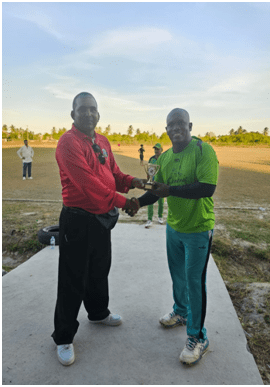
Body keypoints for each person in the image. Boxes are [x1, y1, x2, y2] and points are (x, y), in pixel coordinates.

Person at [53, 92, 144, 366]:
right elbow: (89, 186)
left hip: (101, 219)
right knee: (72, 278)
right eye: (83, 110)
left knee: (99, 268)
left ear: (99, 114)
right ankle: (64, 336)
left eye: (93, 109)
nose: (89, 114)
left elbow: (113, 174)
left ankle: (98, 312)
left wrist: (134, 181)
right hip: (77, 220)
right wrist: (124, 202)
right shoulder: (67, 144)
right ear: (73, 115)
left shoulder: (102, 141)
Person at [128, 108, 219, 366]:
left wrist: (171, 190)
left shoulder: (204, 151)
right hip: (175, 227)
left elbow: (206, 188)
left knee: (194, 281)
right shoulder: (165, 158)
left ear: (190, 125)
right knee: (177, 275)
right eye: (171, 125)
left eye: (181, 123)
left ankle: (198, 337)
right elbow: (158, 191)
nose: (176, 128)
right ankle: (180, 312)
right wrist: (137, 203)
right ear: (166, 130)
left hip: (199, 228)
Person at [144, 143, 164, 228]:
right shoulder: (151, 159)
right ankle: (149, 219)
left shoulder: (164, 159)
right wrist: (148, 181)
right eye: (155, 149)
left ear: (161, 150)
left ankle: (160, 216)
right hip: (152, 182)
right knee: (150, 201)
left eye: (158, 149)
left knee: (161, 201)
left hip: (161, 182)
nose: (156, 151)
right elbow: (149, 171)